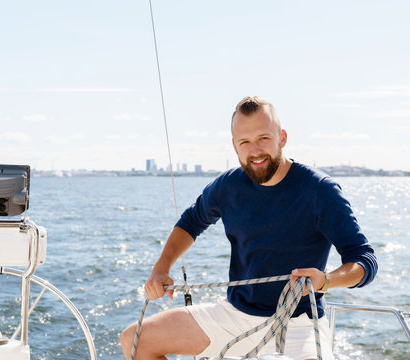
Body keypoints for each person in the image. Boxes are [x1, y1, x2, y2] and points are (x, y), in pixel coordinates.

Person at [120, 96, 378, 360]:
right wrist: (161, 268)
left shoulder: (319, 190)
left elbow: (364, 260)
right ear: (234, 146)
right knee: (134, 340)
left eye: (264, 138)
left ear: (282, 138)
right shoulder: (227, 186)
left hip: (300, 323)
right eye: (245, 141)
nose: (255, 150)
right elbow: (190, 222)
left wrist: (326, 281)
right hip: (233, 316)